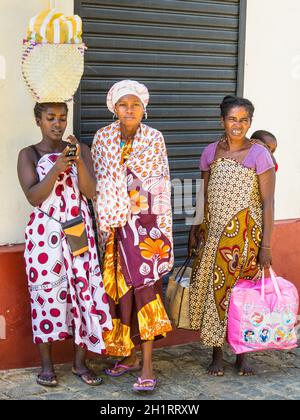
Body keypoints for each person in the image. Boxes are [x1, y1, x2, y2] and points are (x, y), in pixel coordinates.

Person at [17, 102, 112, 387]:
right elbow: (34, 196)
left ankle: (80, 363)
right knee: (46, 296)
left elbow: (91, 191)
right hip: (43, 236)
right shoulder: (29, 154)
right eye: (50, 118)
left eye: (62, 117)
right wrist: (57, 168)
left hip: (78, 232)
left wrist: (79, 161)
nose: (57, 124)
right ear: (38, 120)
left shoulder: (80, 150)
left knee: (84, 294)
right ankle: (47, 365)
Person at [92, 80, 173, 392]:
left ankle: (148, 365)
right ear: (114, 107)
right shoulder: (102, 138)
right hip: (113, 229)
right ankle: (127, 355)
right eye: (124, 104)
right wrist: (115, 208)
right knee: (120, 293)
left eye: (135, 104)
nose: (129, 110)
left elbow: (159, 183)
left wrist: (155, 226)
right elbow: (100, 181)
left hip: (144, 229)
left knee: (145, 291)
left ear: (144, 108)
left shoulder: (154, 139)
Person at [189, 95, 276, 376]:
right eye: (232, 119)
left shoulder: (260, 155)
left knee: (243, 297)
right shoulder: (211, 152)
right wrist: (194, 229)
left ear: (250, 122)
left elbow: (268, 202)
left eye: (243, 120)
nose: (237, 125)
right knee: (215, 295)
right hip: (214, 237)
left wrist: (267, 245)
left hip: (246, 239)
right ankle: (217, 353)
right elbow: (202, 195)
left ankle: (243, 354)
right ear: (222, 121)